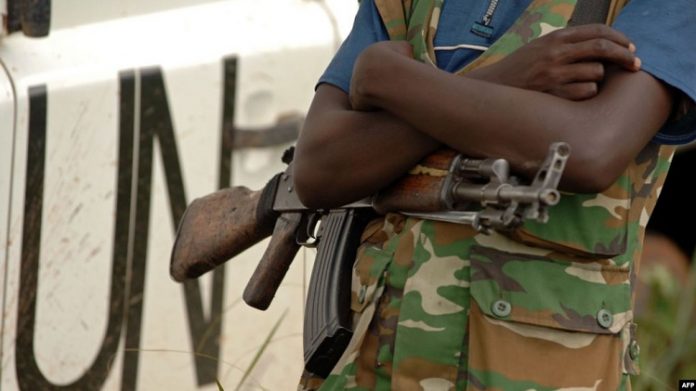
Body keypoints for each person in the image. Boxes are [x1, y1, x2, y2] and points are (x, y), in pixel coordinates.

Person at [293, 0, 696, 389]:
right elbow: (319, 168)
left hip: (539, 370)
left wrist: (389, 80)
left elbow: (588, 150)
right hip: (368, 364)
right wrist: (510, 77)